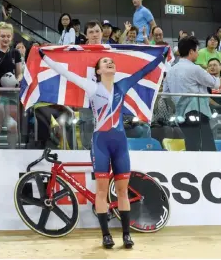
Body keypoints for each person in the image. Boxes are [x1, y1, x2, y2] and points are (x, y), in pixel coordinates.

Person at [38, 38, 166, 249]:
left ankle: (126, 235)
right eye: (105, 62)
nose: (110, 64)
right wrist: (44, 56)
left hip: (120, 143)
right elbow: (65, 72)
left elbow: (143, 71)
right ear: (97, 71)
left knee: (123, 191)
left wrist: (161, 56)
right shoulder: (90, 86)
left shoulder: (122, 85)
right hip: (101, 144)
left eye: (111, 62)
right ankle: (106, 235)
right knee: (101, 192)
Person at [163, 36, 221, 151]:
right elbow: (218, 84)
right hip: (198, 113)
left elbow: (165, 96)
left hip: (181, 116)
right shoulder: (195, 69)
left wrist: (178, 108)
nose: (198, 54)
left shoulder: (171, 71)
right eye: (197, 51)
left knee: (191, 147)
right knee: (208, 149)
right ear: (191, 52)